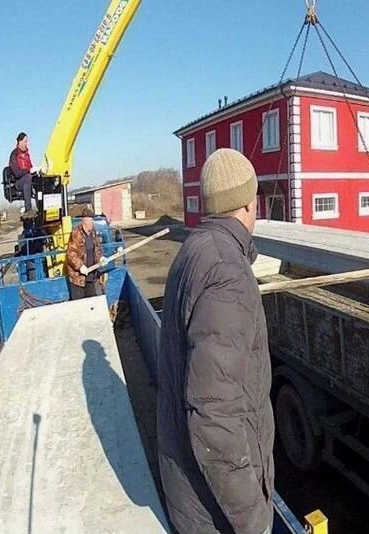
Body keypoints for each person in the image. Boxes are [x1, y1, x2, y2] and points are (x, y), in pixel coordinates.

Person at [158, 148, 273, 534]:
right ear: (247, 203)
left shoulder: (193, 250)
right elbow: (214, 415)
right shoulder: (227, 272)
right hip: (212, 510)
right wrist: (252, 518)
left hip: (191, 490)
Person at [65, 208, 107, 300]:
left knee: (92, 302)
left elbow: (97, 248)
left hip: (91, 276)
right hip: (78, 279)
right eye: (92, 220)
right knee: (80, 304)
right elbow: (71, 253)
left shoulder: (93, 232)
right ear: (86, 221)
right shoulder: (76, 233)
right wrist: (80, 266)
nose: (93, 223)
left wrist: (100, 258)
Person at [9, 132, 39, 217]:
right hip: (18, 182)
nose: (26, 144)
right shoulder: (14, 155)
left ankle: (41, 207)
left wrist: (35, 170)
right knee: (28, 178)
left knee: (38, 179)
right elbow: (17, 173)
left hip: (27, 178)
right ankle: (28, 209)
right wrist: (29, 170)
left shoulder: (27, 155)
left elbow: (30, 167)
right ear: (20, 142)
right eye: (25, 141)